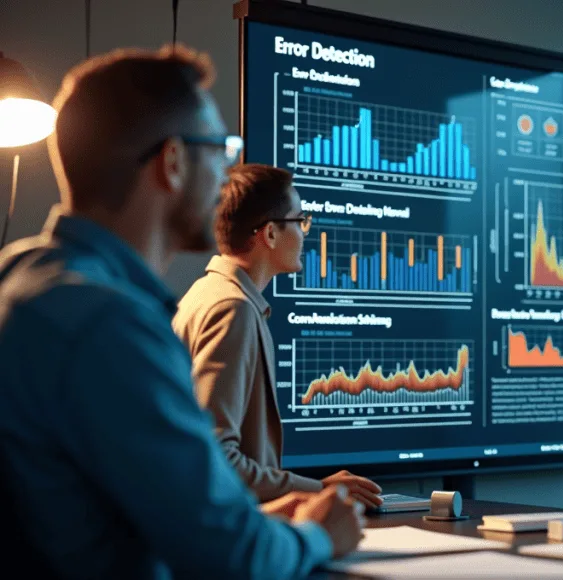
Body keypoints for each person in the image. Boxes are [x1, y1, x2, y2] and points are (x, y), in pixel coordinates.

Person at [0, 46, 364, 578]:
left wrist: (256, 523)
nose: (225, 175)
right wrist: (318, 535)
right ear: (172, 161)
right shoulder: (109, 324)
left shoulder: (19, 275)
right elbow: (229, 557)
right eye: (219, 149)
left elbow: (151, 511)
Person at [174, 163, 382, 506]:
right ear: (269, 234)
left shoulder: (206, 293)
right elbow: (216, 458)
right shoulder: (233, 309)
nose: (305, 232)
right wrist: (318, 490)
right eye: (300, 221)